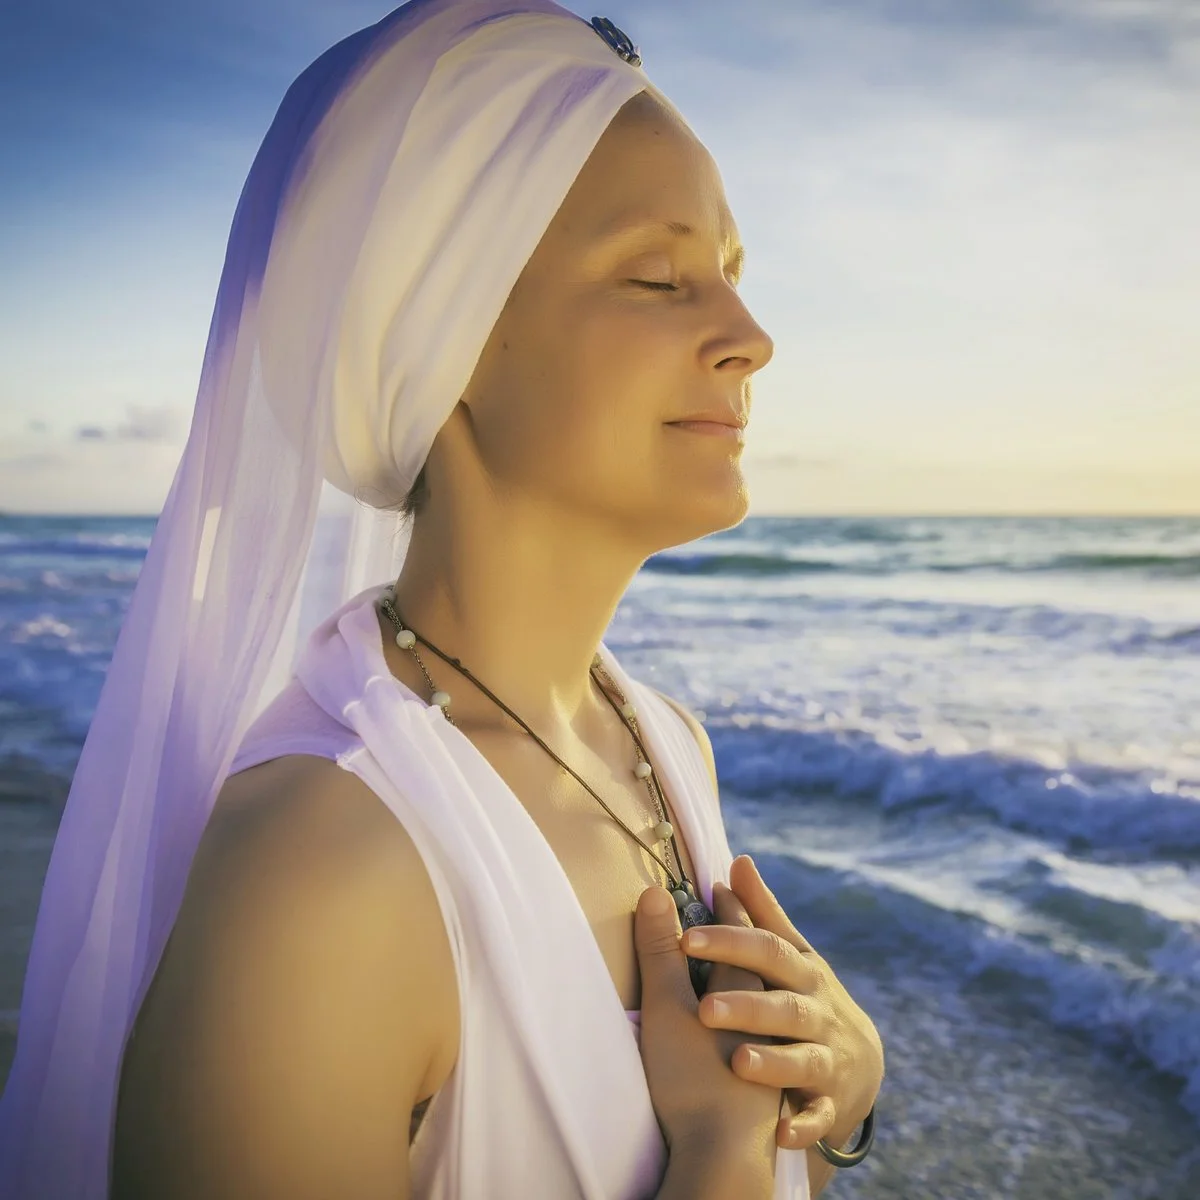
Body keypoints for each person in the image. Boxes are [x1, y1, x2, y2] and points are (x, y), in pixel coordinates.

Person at [0, 3, 881, 1197]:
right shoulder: (321, 884)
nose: (752, 337)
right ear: (446, 344)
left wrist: (837, 1096)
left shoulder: (665, 745)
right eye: (658, 276)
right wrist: (724, 1156)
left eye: (729, 275)